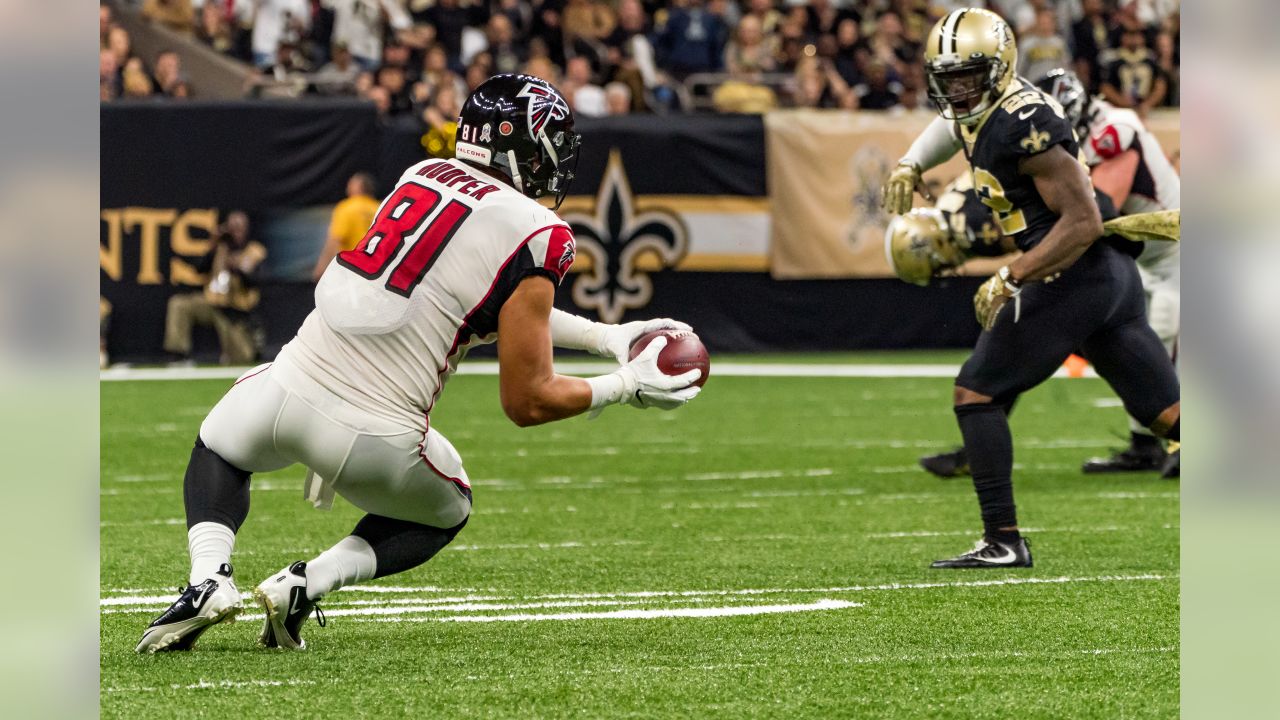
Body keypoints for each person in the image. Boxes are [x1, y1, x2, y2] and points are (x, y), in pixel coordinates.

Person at [136, 75, 703, 653]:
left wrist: (609, 338)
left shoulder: (420, 176)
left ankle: (209, 578)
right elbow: (528, 399)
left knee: (218, 446)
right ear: (522, 146)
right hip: (372, 439)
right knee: (448, 509)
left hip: (282, 394)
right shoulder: (539, 231)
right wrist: (626, 383)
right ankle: (308, 582)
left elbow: (473, 303)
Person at [880, 8, 1179, 569]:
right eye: (949, 79)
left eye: (969, 77)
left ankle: (1004, 540)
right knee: (1170, 415)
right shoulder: (989, 108)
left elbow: (1084, 220)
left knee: (977, 393)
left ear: (999, 68)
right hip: (1106, 279)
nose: (959, 90)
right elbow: (953, 127)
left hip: (1077, 274)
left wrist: (1010, 275)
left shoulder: (1025, 123)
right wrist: (907, 164)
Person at [1036, 68, 1180, 477]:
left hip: (1177, 251)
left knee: (1165, 333)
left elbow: (1099, 209)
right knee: (1134, 346)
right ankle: (1145, 445)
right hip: (1145, 258)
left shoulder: (1117, 126)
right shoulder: (1082, 136)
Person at [163, 211, 267, 366]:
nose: (235, 232)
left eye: (238, 228)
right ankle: (178, 355)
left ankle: (236, 350)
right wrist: (213, 243)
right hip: (212, 304)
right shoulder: (220, 248)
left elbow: (255, 281)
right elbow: (199, 268)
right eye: (231, 228)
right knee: (179, 304)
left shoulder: (255, 251)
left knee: (243, 358)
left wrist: (237, 269)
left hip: (235, 311)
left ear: (246, 229)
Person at [311, 173, 380, 281]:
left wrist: (321, 268)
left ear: (358, 187)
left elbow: (335, 240)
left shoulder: (346, 208)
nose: (347, 187)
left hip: (351, 270)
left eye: (350, 184)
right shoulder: (380, 208)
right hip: (376, 271)